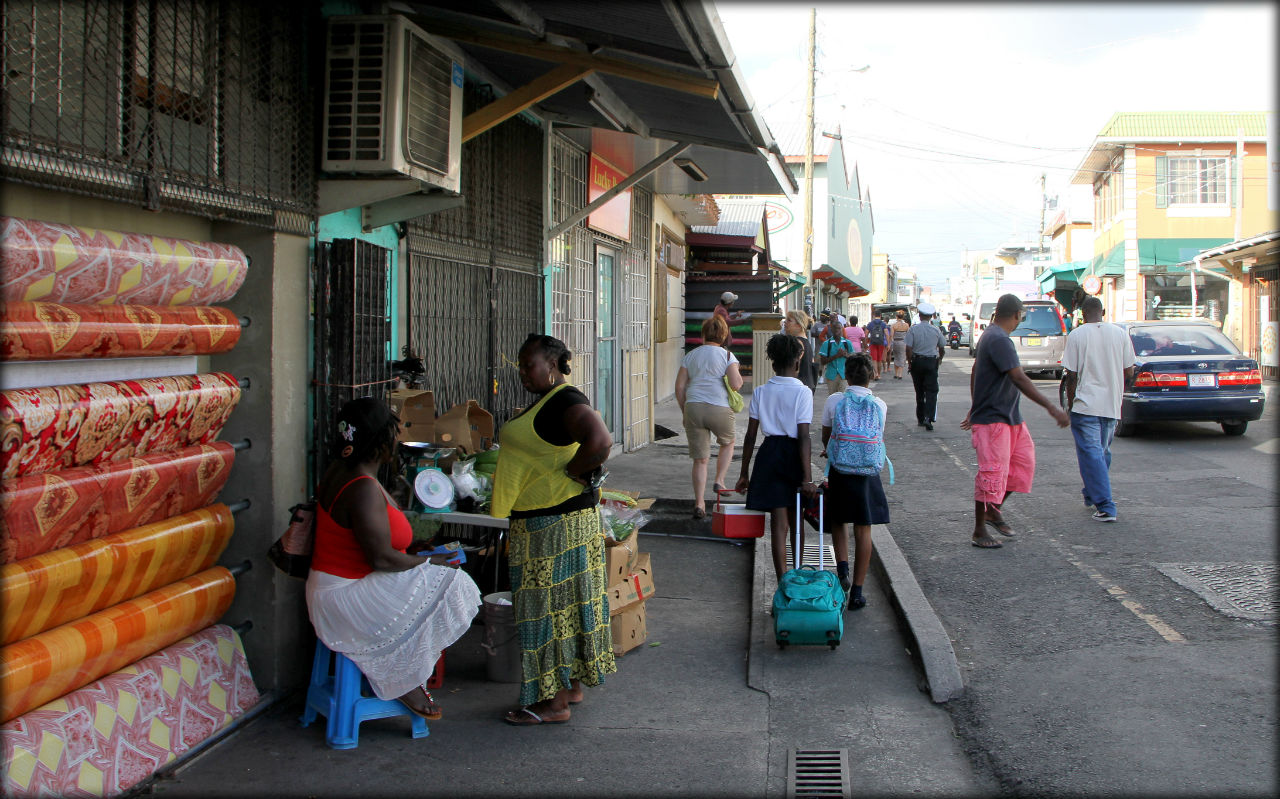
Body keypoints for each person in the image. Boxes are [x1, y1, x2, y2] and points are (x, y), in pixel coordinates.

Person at [307, 397, 482, 722]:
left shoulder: (344, 471)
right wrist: (428, 564)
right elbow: (382, 560)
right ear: (382, 442)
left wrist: (419, 553)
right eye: (394, 434)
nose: (397, 441)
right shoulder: (360, 487)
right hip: (342, 597)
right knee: (456, 585)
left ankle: (405, 671)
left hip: (338, 586)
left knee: (440, 577)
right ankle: (402, 677)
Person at [491, 334, 616, 725]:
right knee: (569, 606)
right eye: (521, 364)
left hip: (552, 525)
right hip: (562, 520)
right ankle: (570, 687)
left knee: (545, 611)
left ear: (552, 364)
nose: (523, 372)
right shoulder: (550, 401)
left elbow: (600, 441)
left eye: (529, 365)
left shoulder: (565, 400)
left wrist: (572, 472)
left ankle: (551, 702)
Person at [961, 294, 1071, 549]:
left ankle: (993, 509)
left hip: (1009, 416)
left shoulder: (994, 336)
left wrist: (974, 403)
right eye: (1022, 314)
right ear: (1016, 314)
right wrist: (1051, 407)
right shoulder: (998, 338)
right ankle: (979, 530)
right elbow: (1019, 378)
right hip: (993, 419)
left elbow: (977, 369)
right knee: (990, 474)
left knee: (1022, 466)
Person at [735, 334, 818, 580]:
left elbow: (750, 436)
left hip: (768, 454)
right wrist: (808, 478)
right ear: (797, 363)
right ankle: (798, 577)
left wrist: (743, 473)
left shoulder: (761, 392)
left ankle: (783, 583)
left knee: (778, 525)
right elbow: (804, 436)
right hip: (794, 455)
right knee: (797, 523)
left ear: (773, 364)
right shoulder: (803, 392)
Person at [820, 353, 888, 610]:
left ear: (846, 376)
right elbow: (878, 437)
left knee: (839, 521)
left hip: (841, 470)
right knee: (864, 528)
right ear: (870, 375)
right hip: (868, 473)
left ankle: (842, 570)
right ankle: (858, 592)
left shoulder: (835, 400)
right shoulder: (879, 405)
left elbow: (826, 436)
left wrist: (832, 450)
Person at [1062, 296, 1136, 523]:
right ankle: (1091, 493)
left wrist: (1072, 404)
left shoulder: (1077, 335)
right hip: (1111, 405)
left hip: (1086, 405)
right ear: (1102, 312)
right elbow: (1129, 371)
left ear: (1082, 314)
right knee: (1101, 452)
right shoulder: (1120, 334)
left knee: (1093, 454)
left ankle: (1105, 505)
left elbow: (1071, 376)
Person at [675, 315, 744, 520]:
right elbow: (736, 384)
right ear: (723, 335)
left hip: (693, 407)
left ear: (703, 334)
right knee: (728, 442)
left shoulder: (690, 356)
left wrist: (684, 411)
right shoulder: (727, 356)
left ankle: (699, 503)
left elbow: (679, 387)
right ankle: (720, 480)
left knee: (700, 459)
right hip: (719, 407)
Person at [904, 302, 947, 430]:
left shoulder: (913, 329)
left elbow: (908, 348)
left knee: (919, 391)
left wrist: (910, 363)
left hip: (917, 361)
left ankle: (921, 418)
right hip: (931, 362)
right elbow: (942, 347)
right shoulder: (936, 330)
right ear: (931, 316)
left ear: (920, 315)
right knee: (932, 391)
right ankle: (929, 417)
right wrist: (939, 360)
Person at [818, 315, 856, 395]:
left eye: (839, 328)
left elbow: (853, 358)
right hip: (831, 375)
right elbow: (823, 361)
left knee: (842, 396)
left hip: (844, 374)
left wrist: (845, 355)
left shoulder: (847, 343)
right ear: (831, 329)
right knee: (832, 397)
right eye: (835, 328)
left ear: (842, 330)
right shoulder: (827, 344)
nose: (837, 330)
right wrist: (836, 356)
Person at [784, 309, 819, 392]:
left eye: (789, 320)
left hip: (797, 388)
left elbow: (791, 367)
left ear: (799, 325)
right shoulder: (806, 342)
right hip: (806, 386)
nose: (785, 323)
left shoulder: (797, 343)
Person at [865, 314, 888, 380]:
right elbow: (886, 334)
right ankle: (879, 374)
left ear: (874, 316)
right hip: (881, 343)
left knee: (874, 359)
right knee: (879, 359)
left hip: (873, 343)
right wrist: (888, 343)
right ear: (880, 316)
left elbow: (866, 334)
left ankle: (875, 373)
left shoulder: (870, 324)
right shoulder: (883, 324)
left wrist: (866, 343)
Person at [890, 311, 910, 380]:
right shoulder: (906, 325)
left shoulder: (893, 325)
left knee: (896, 356)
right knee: (902, 356)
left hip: (896, 342)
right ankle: (900, 374)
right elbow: (908, 335)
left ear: (896, 317)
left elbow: (891, 335)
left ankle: (896, 373)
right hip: (903, 342)